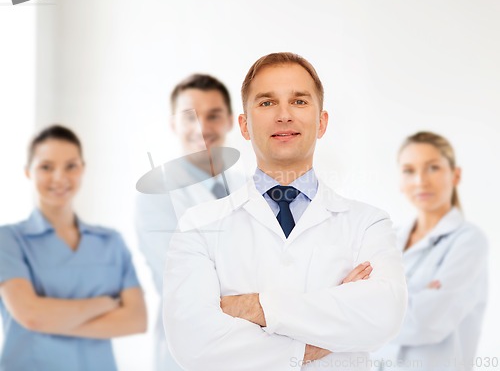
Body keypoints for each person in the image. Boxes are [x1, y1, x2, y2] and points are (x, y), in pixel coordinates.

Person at [163, 52, 408, 371]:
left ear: (322, 122)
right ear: (245, 125)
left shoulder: (367, 223)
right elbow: (192, 345)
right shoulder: (198, 225)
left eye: (299, 102)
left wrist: (255, 306)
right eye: (266, 103)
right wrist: (333, 326)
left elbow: (384, 314)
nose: (283, 115)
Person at [0, 125, 147, 371]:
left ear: (83, 169)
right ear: (28, 172)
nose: (60, 177)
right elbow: (31, 315)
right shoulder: (9, 240)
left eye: (71, 166)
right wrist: (105, 304)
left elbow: (136, 320)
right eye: (46, 167)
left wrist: (49, 321)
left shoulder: (111, 242)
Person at [135, 74, 245, 371]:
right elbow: (185, 283)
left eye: (213, 116)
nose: (202, 128)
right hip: (185, 357)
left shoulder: (249, 189)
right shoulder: (156, 195)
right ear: (174, 124)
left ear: (231, 121)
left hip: (250, 354)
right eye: (189, 117)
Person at [371, 132, 489, 371]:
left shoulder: (469, 241)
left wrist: (365, 308)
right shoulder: (388, 237)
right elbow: (347, 300)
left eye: (433, 168)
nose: (420, 181)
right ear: (400, 182)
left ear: (455, 175)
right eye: (409, 170)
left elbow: (426, 322)